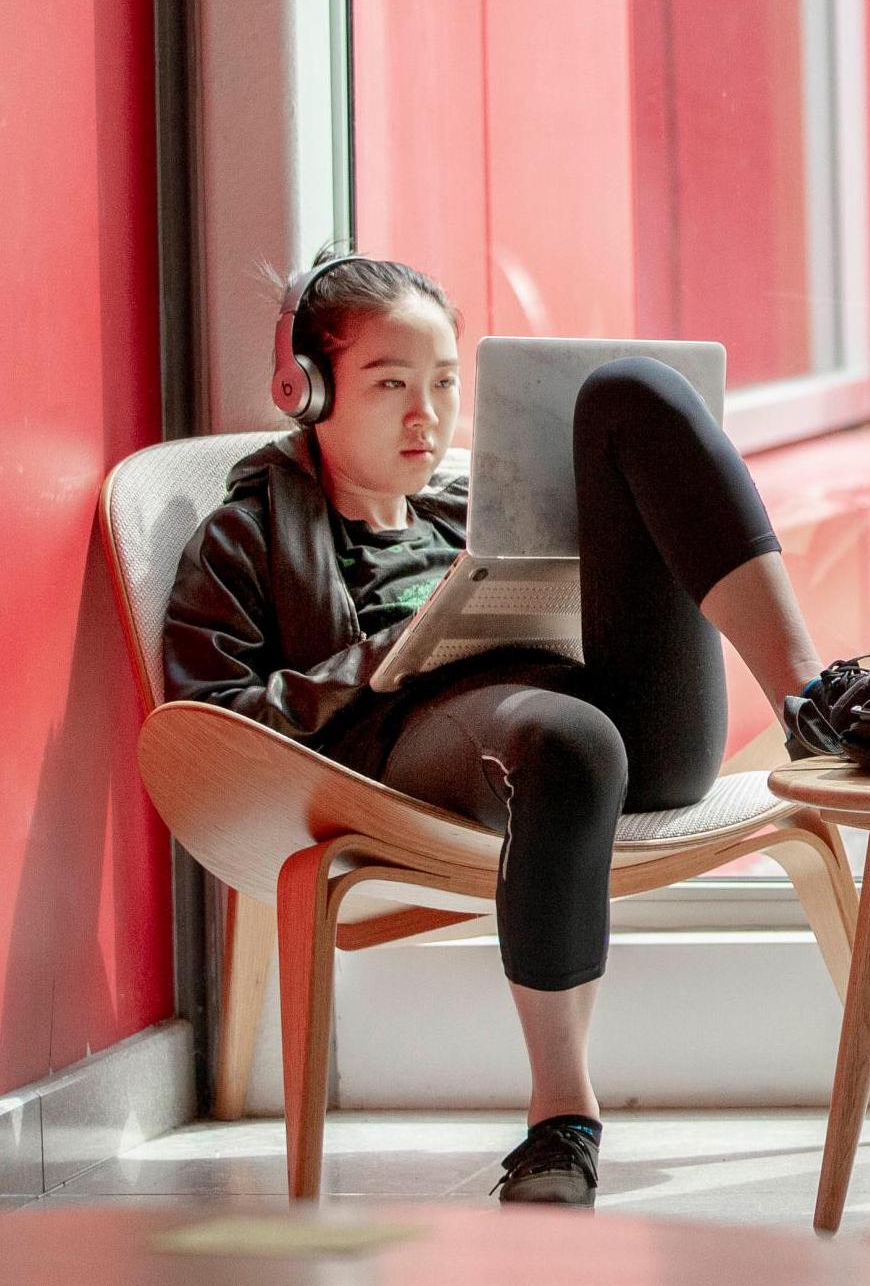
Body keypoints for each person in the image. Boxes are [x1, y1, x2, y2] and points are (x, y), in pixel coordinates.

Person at [160, 248, 833, 1207]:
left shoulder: (478, 509)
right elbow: (208, 724)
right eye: (389, 383)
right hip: (440, 748)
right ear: (304, 391)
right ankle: (564, 1119)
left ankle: (813, 701)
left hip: (619, 727)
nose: (425, 415)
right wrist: (390, 654)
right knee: (569, 740)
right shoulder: (249, 536)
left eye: (440, 383)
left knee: (634, 393)